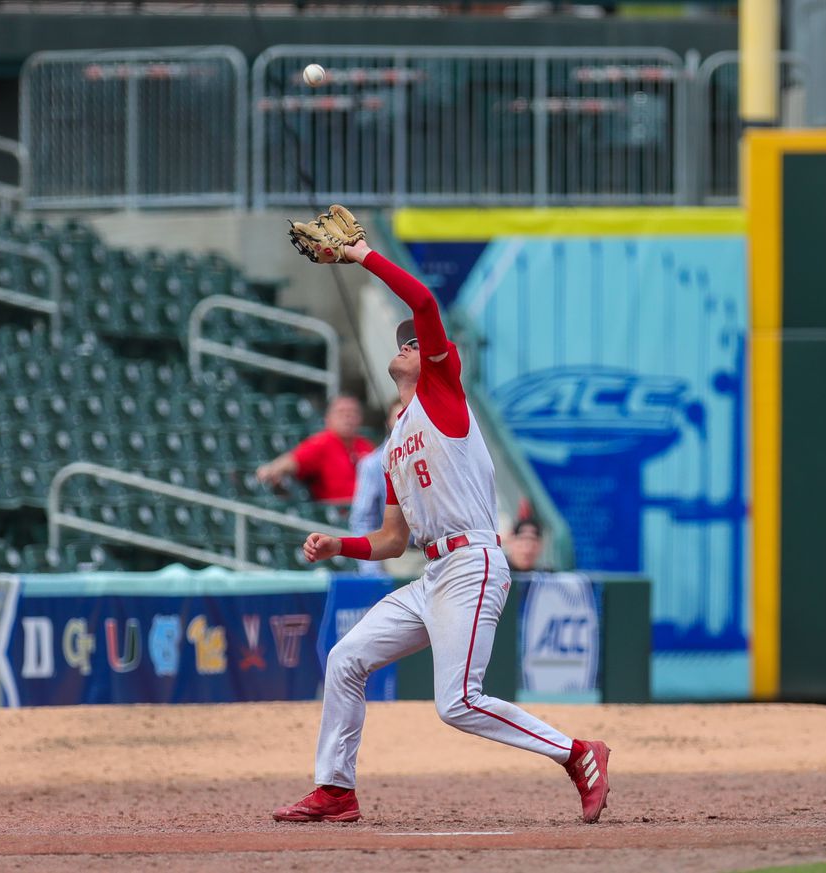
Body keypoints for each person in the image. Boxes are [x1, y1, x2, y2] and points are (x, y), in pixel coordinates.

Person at [272, 239, 610, 825]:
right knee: (346, 658)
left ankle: (577, 754)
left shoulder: (442, 395)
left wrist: (361, 255)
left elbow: (425, 303)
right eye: (405, 342)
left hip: (474, 560)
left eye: (415, 342)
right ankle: (335, 790)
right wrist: (338, 545)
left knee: (456, 703)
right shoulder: (396, 440)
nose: (410, 345)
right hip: (433, 572)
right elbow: (392, 540)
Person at [256, 395, 373, 504]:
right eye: (341, 413)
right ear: (328, 419)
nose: (348, 417)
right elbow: (293, 460)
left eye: (353, 413)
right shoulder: (322, 443)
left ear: (360, 419)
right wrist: (272, 469)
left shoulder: (365, 445)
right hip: (337, 515)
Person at [347, 399, 406, 577]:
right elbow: (362, 519)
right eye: (398, 416)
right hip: (398, 558)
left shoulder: (433, 456)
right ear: (388, 421)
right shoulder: (373, 463)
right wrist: (372, 570)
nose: (402, 421)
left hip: (435, 554)